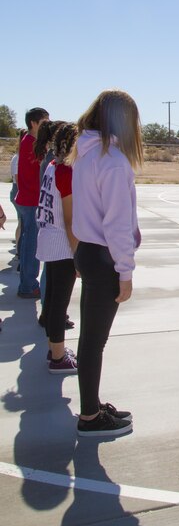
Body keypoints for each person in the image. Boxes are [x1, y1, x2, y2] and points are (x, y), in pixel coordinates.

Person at [70, 89, 143, 437]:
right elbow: (116, 224)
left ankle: (91, 406)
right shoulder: (112, 162)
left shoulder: (85, 155)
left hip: (88, 251)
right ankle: (89, 416)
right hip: (103, 259)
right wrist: (125, 272)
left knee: (90, 339)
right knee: (94, 341)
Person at [36, 123, 79, 374]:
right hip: (62, 243)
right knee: (58, 303)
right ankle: (59, 357)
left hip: (49, 237)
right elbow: (71, 219)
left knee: (52, 300)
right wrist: (78, 254)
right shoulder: (66, 171)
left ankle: (54, 348)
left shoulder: (53, 166)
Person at [15, 107, 49, 299]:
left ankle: (27, 283)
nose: (46, 125)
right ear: (33, 124)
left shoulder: (29, 141)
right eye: (44, 122)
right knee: (31, 245)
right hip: (31, 201)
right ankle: (28, 285)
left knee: (29, 242)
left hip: (28, 199)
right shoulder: (32, 143)